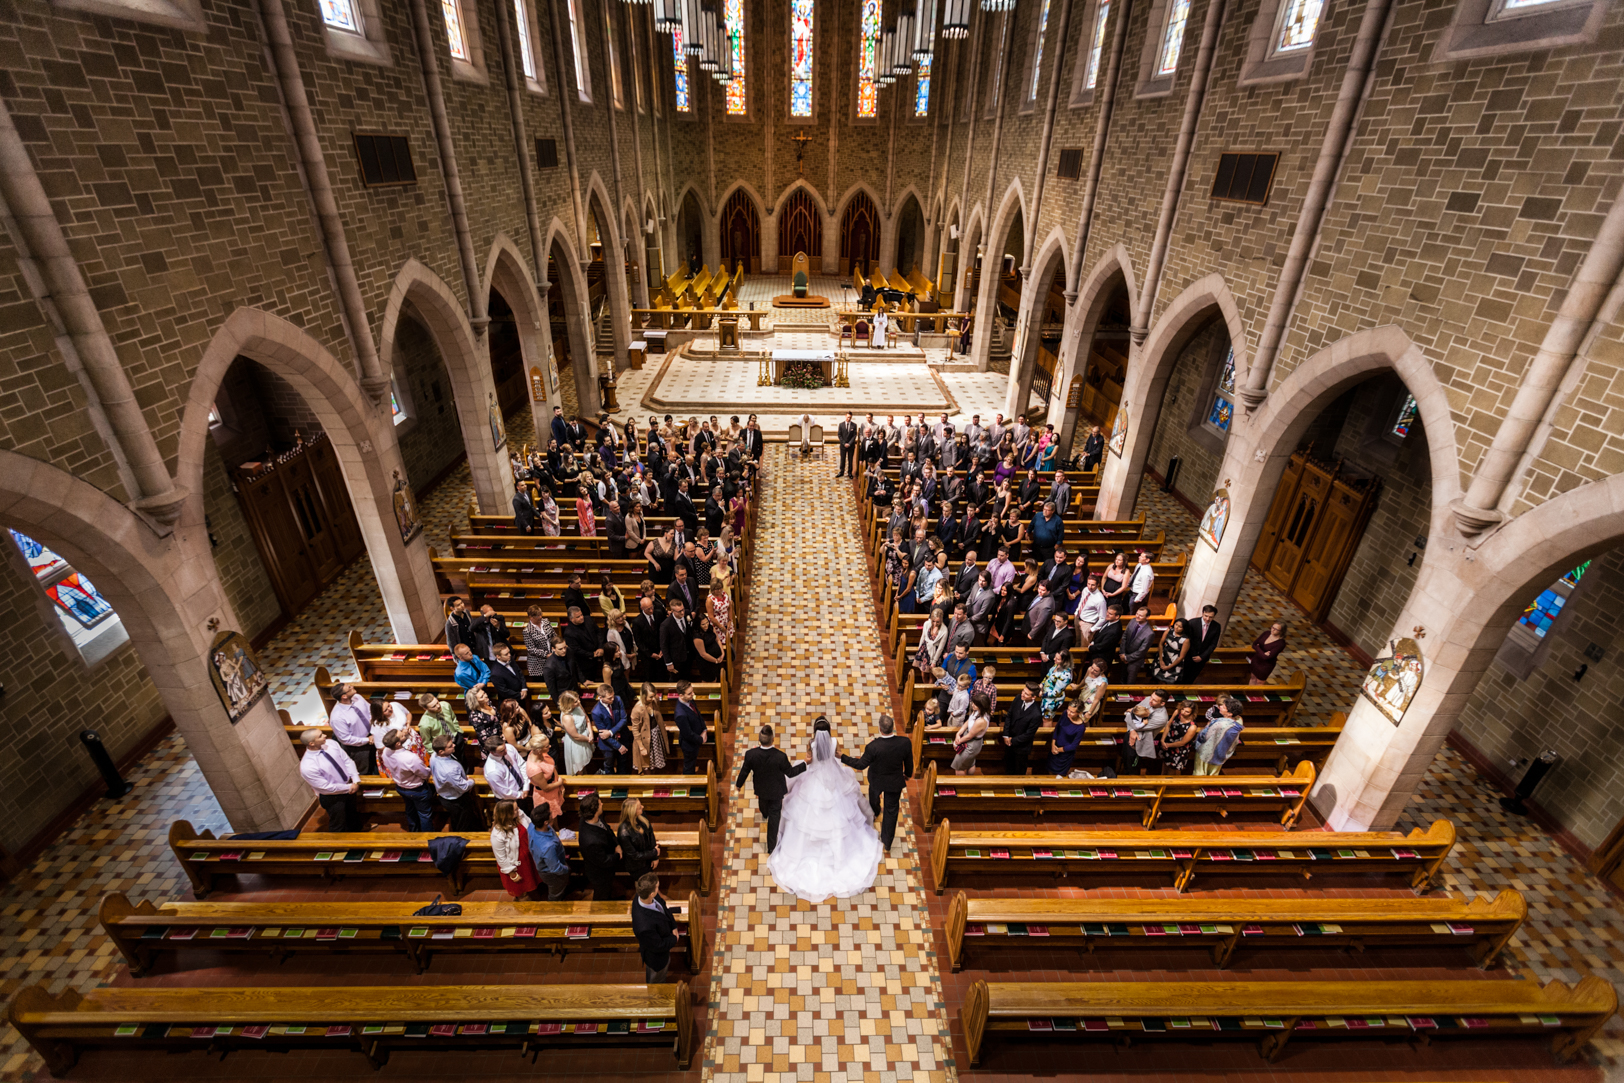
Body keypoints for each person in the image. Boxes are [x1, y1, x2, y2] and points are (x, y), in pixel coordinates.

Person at [771, 723, 887, 901]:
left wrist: (808, 761)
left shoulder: (812, 743)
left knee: (805, 815)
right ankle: (840, 860)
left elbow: (809, 760)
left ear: (816, 732)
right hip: (832, 778)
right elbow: (837, 757)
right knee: (840, 814)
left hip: (814, 777)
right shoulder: (834, 742)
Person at [839, 714, 913, 852]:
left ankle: (875, 812)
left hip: (877, 780)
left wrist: (842, 757)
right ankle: (887, 841)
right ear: (892, 727)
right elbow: (909, 763)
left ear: (880, 729)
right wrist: (908, 774)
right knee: (891, 812)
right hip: (894, 782)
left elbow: (860, 764)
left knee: (874, 798)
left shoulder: (873, 746)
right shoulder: (905, 742)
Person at [734, 724, 808, 853]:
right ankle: (771, 848)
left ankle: (764, 813)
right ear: (773, 739)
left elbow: (744, 771)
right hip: (776, 791)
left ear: (759, 740)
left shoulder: (751, 754)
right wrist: (805, 763)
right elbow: (790, 772)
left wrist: (738, 785)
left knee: (763, 803)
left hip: (761, 789)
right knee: (774, 822)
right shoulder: (780, 756)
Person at [299, 729, 361, 831]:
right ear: (311, 743)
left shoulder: (331, 744)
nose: (324, 735)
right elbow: (326, 788)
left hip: (350, 787)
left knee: (352, 815)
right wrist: (349, 787)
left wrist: (355, 779)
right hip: (333, 797)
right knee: (338, 824)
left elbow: (347, 760)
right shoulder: (308, 766)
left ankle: (359, 840)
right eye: (320, 736)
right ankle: (341, 845)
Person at [380, 727, 435, 831]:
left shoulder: (386, 751)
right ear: (397, 744)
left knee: (410, 811)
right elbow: (424, 774)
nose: (404, 734)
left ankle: (414, 833)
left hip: (401, 787)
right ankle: (428, 839)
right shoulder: (410, 758)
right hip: (417, 789)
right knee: (424, 814)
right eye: (402, 735)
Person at [631, 873, 681, 984]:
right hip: (657, 958)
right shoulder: (643, 926)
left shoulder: (646, 895)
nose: (659, 889)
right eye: (658, 887)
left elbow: (663, 908)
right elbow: (658, 946)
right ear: (652, 893)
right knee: (657, 982)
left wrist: (673, 926)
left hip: (664, 934)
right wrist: (674, 938)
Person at [491, 799, 541, 899]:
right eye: (515, 809)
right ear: (506, 814)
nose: (518, 810)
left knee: (533, 879)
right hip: (516, 864)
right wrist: (512, 873)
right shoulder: (497, 834)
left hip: (529, 856)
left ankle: (533, 893)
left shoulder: (519, 816)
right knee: (521, 887)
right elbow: (501, 857)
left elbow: (530, 824)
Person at [431, 734, 482, 830]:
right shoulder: (449, 771)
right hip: (456, 799)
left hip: (446, 793)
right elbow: (463, 787)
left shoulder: (434, 756)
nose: (454, 745)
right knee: (462, 822)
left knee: (457, 818)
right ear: (441, 751)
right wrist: (471, 781)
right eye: (450, 746)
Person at [577, 792, 622, 899]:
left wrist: (616, 843)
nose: (602, 804)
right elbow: (604, 861)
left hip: (607, 861)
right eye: (600, 803)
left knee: (608, 889)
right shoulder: (591, 841)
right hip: (600, 873)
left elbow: (607, 829)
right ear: (594, 810)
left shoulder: (595, 818)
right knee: (602, 893)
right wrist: (617, 854)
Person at [326, 683, 376, 775]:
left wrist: (374, 729)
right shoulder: (337, 717)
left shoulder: (357, 697)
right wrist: (367, 739)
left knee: (377, 762)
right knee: (365, 770)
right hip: (358, 747)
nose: (353, 687)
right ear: (344, 696)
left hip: (372, 735)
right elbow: (346, 739)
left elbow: (370, 710)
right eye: (349, 688)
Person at [527, 805, 571, 899]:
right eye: (550, 814)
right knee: (556, 892)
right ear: (545, 822)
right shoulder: (548, 846)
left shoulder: (532, 826)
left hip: (545, 864)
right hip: (552, 874)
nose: (552, 814)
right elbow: (555, 868)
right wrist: (566, 869)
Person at [1193, 695, 1245, 775]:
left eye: (1223, 707)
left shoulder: (1219, 723)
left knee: (1200, 772)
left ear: (1229, 713)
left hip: (1208, 751)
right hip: (1222, 752)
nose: (1220, 707)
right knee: (1213, 773)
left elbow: (1205, 735)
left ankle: (1196, 786)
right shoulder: (1239, 721)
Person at [1001, 683, 1043, 776]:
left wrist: (1013, 740)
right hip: (1009, 741)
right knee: (1008, 767)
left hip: (1021, 747)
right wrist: (1006, 735)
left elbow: (1029, 734)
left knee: (1019, 770)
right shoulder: (1018, 698)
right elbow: (1009, 716)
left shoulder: (1036, 714)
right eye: (1023, 691)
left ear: (1033, 697)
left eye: (1026, 694)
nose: (1022, 694)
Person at [1125, 689, 1171, 774]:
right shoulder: (1148, 699)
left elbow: (1136, 724)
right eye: (1151, 697)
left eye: (1154, 700)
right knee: (1125, 760)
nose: (1150, 700)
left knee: (1132, 767)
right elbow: (1130, 713)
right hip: (1130, 733)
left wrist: (1133, 727)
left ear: (1162, 703)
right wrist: (1132, 731)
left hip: (1140, 741)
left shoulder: (1161, 718)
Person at [617, 797, 661, 883]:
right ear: (633, 812)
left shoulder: (641, 816)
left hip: (647, 859)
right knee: (644, 888)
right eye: (640, 807)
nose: (643, 807)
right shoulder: (624, 833)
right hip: (637, 866)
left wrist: (655, 857)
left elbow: (650, 833)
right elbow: (634, 856)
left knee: (650, 885)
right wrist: (654, 852)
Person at [590, 682, 630, 774]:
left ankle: (622, 785)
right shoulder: (596, 712)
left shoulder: (618, 699)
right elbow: (604, 735)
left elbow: (624, 719)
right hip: (608, 744)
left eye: (613, 696)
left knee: (623, 763)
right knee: (609, 765)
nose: (613, 699)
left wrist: (611, 732)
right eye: (609, 698)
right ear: (601, 697)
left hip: (622, 737)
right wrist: (619, 746)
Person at [630, 681, 669, 772]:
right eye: (650, 696)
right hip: (644, 739)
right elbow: (635, 730)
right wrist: (641, 747)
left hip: (656, 734)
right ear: (644, 696)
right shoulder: (637, 709)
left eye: (654, 695)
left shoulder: (655, 701)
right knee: (646, 764)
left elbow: (657, 715)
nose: (653, 698)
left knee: (656, 762)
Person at [525, 733, 565, 819]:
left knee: (555, 815)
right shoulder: (534, 769)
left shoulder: (539, 753)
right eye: (547, 746)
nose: (550, 746)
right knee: (548, 819)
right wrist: (560, 782)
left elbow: (552, 767)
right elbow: (545, 787)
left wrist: (559, 785)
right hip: (545, 796)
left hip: (553, 788)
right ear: (539, 749)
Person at [1046, 701, 1089, 777]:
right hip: (1054, 748)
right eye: (1068, 710)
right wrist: (1053, 745)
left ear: (1079, 713)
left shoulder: (1080, 728)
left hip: (1065, 754)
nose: (1069, 713)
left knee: (1059, 776)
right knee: (1049, 770)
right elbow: (1057, 728)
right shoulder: (1065, 714)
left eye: (1072, 712)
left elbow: (1074, 745)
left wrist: (1058, 750)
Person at [556, 689, 594, 775]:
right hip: (576, 743)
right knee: (578, 768)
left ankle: (587, 784)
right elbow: (575, 736)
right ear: (568, 704)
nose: (579, 702)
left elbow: (587, 718)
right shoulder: (566, 717)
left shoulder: (578, 706)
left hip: (586, 737)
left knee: (585, 765)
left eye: (578, 699)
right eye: (576, 701)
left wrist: (591, 733)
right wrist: (588, 738)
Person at [952, 695, 992, 775]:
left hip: (972, 743)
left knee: (959, 766)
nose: (973, 705)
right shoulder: (976, 711)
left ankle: (961, 785)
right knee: (969, 763)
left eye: (976, 704)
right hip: (968, 739)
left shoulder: (981, 720)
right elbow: (969, 721)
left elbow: (970, 736)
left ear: (982, 706)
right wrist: (959, 733)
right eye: (973, 702)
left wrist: (957, 742)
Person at [1185, 604, 1224, 683]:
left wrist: (1201, 657)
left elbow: (1213, 644)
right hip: (1189, 655)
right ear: (1202, 613)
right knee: (1183, 675)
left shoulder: (1216, 626)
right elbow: (1188, 640)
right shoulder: (1192, 623)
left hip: (1202, 658)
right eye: (1206, 616)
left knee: (1192, 677)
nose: (1207, 619)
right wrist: (1194, 654)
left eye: (1210, 617)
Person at [674, 681, 707, 774]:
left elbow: (698, 714)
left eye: (692, 691)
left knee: (693, 762)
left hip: (697, 737)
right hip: (689, 744)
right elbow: (688, 734)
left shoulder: (689, 700)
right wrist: (701, 739)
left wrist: (704, 730)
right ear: (681, 695)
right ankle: (689, 783)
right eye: (689, 693)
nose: (693, 694)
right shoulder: (680, 714)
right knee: (689, 766)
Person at [1160, 701, 1200, 775]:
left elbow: (1182, 743)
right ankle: (1161, 784)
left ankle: (1171, 786)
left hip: (1178, 750)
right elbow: (1168, 725)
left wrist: (1167, 745)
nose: (1183, 712)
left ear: (1192, 713)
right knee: (1164, 766)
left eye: (1187, 711)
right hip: (1167, 743)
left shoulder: (1192, 726)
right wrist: (1162, 740)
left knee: (1173, 771)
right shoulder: (1177, 712)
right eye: (1182, 709)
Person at [1150, 617, 1190, 685]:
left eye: (1180, 626)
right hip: (1164, 655)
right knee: (1156, 675)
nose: (1176, 627)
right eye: (1176, 624)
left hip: (1175, 660)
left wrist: (1169, 667)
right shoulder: (1169, 631)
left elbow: (1181, 657)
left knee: (1167, 680)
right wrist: (1161, 660)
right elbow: (1161, 644)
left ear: (1184, 628)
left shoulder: (1186, 640)